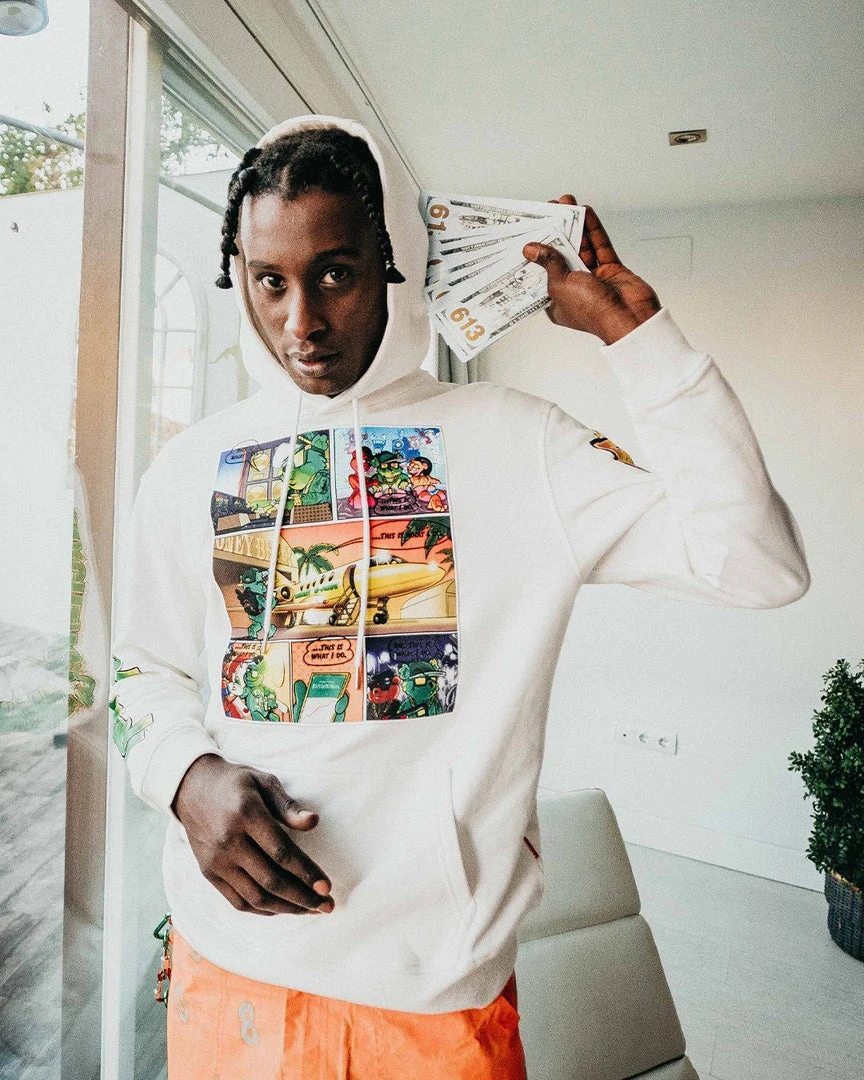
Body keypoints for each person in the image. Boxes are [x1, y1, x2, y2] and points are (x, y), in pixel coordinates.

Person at [111, 114, 810, 1079]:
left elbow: (758, 562)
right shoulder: (191, 465)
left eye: (336, 273)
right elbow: (138, 669)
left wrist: (636, 338)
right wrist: (184, 774)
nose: (301, 322)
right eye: (270, 281)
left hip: (433, 1000)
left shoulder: (518, 442)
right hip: (227, 971)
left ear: (394, 266)